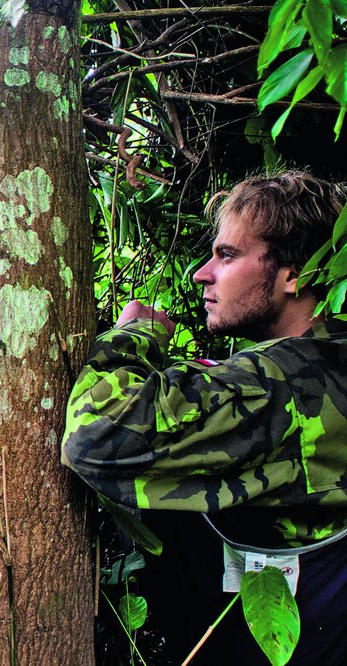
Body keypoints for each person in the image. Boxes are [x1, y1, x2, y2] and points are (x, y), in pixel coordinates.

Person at [60, 170, 347, 663]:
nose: (202, 273)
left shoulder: (283, 382)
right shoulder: (329, 361)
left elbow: (96, 436)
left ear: (292, 274)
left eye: (228, 255)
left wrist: (135, 336)